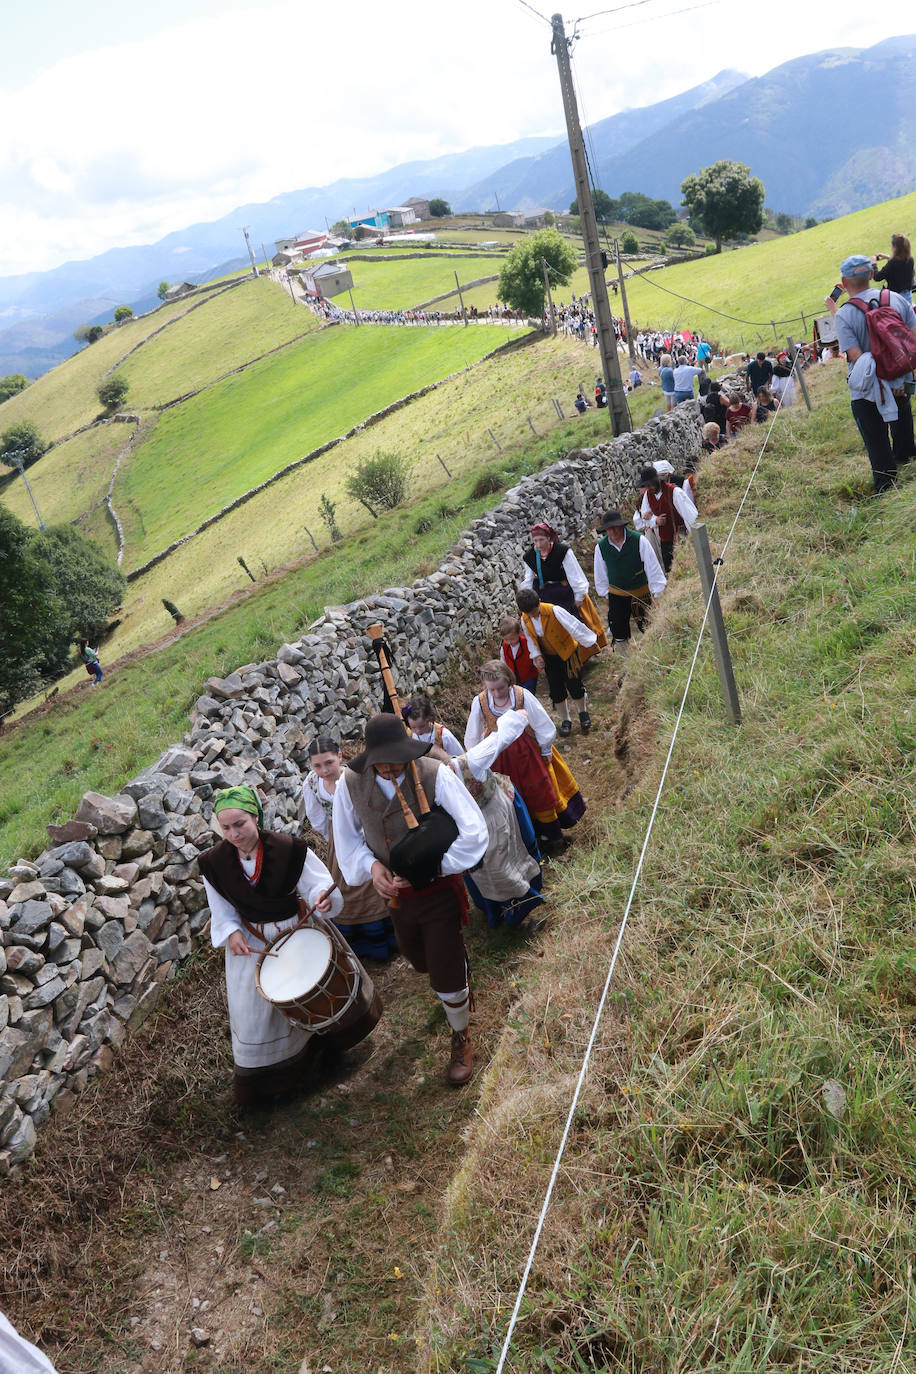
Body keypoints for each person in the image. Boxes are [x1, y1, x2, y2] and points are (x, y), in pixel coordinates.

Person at [332, 714, 488, 1085]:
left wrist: (436, 867)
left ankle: (461, 1034)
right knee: (420, 961)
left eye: (393, 759)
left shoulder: (435, 773)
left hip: (436, 890)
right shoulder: (350, 784)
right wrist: (372, 869)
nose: (386, 767)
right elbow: (347, 839)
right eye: (379, 761)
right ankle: (457, 974)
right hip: (397, 899)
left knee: (444, 970)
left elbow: (474, 831)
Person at [198, 785, 344, 1106]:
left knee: (304, 999)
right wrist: (231, 933)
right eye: (225, 827)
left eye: (240, 824)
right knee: (255, 1014)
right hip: (251, 946)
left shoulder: (289, 849)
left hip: (294, 933)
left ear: (256, 817)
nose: (234, 834)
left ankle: (318, 1062)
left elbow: (318, 882)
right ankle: (269, 1086)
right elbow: (220, 910)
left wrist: (322, 896)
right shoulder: (213, 862)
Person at [465, 660, 585, 845]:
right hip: (499, 755)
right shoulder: (480, 702)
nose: (497, 693)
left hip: (529, 753)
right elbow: (472, 736)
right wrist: (477, 761)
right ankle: (528, 837)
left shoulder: (521, 696)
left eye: (501, 688)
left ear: (509, 681)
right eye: (492, 690)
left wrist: (545, 748)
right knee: (511, 796)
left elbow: (541, 721)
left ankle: (551, 836)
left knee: (540, 791)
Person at [302, 737, 398, 961]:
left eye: (328, 763)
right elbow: (316, 818)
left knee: (374, 883)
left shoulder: (355, 777)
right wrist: (335, 840)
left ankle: (388, 940)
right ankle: (362, 945)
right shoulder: (311, 783)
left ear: (339, 756)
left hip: (367, 834)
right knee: (345, 888)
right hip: (338, 840)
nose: (324, 770)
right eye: (317, 766)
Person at [451, 711, 544, 929]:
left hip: (493, 814)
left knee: (502, 864)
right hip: (467, 828)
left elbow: (498, 738)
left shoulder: (470, 762)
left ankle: (518, 910)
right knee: (481, 871)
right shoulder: (424, 788)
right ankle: (494, 911)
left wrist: (517, 717)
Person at [832, 252, 916, 493]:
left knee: (875, 436)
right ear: (871, 274)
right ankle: (906, 457)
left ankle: (886, 483)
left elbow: (857, 358)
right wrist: (902, 376)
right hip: (900, 377)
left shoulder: (844, 315)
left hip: (869, 389)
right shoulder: (897, 300)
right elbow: (913, 339)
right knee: (902, 417)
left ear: (844, 282)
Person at [515, 587, 596, 736]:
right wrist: (537, 656)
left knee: (574, 684)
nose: (532, 615)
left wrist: (589, 642)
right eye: (529, 614)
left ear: (539, 601)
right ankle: (566, 720)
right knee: (556, 690)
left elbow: (574, 626)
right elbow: (531, 639)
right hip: (549, 658)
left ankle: (583, 713)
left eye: (534, 611)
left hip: (568, 653)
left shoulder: (555, 611)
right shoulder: (524, 618)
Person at [521, 521, 607, 653]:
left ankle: (585, 651)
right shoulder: (530, 556)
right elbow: (528, 580)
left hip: (564, 591)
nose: (538, 544)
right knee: (551, 625)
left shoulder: (562, 551)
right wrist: (529, 600)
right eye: (535, 541)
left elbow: (575, 574)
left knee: (572, 619)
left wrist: (579, 596)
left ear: (548, 538)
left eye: (541, 540)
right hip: (543, 594)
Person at [592, 509, 666, 656]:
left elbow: (653, 569)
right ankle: (628, 663)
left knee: (649, 626)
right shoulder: (601, 547)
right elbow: (601, 575)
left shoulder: (639, 540)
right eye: (608, 529)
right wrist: (608, 596)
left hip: (641, 592)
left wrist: (657, 594)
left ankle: (655, 656)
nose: (612, 531)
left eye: (614, 527)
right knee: (619, 631)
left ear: (621, 526)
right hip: (617, 595)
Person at [637, 464, 697, 573]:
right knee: (669, 570)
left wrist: (694, 539)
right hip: (665, 540)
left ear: (657, 481)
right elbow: (645, 517)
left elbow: (691, 516)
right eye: (646, 485)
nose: (648, 488)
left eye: (650, 484)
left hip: (681, 537)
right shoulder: (648, 495)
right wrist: (655, 520)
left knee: (685, 567)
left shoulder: (675, 492)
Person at [500, 613, 538, 692]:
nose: (510, 642)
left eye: (512, 639)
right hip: (513, 678)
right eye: (507, 640)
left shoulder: (526, 643)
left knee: (528, 694)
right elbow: (503, 660)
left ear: (519, 633)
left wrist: (537, 663)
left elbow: (534, 655)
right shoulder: (504, 646)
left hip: (529, 676)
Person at [872, 234, 914, 304]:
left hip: (896, 298)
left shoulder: (893, 263)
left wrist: (873, 264)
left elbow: (877, 277)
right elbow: (899, 265)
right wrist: (888, 257)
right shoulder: (910, 259)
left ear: (895, 248)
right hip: (907, 295)